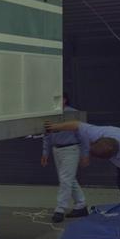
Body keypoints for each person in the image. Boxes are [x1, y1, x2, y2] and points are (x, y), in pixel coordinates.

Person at [41, 94, 88, 223]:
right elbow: (47, 134)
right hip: (57, 149)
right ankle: (81, 204)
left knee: (65, 179)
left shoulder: (73, 114)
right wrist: (45, 153)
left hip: (71, 149)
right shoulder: (51, 115)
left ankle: (60, 209)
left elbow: (83, 135)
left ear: (65, 100)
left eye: (59, 99)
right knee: (69, 179)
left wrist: (85, 154)